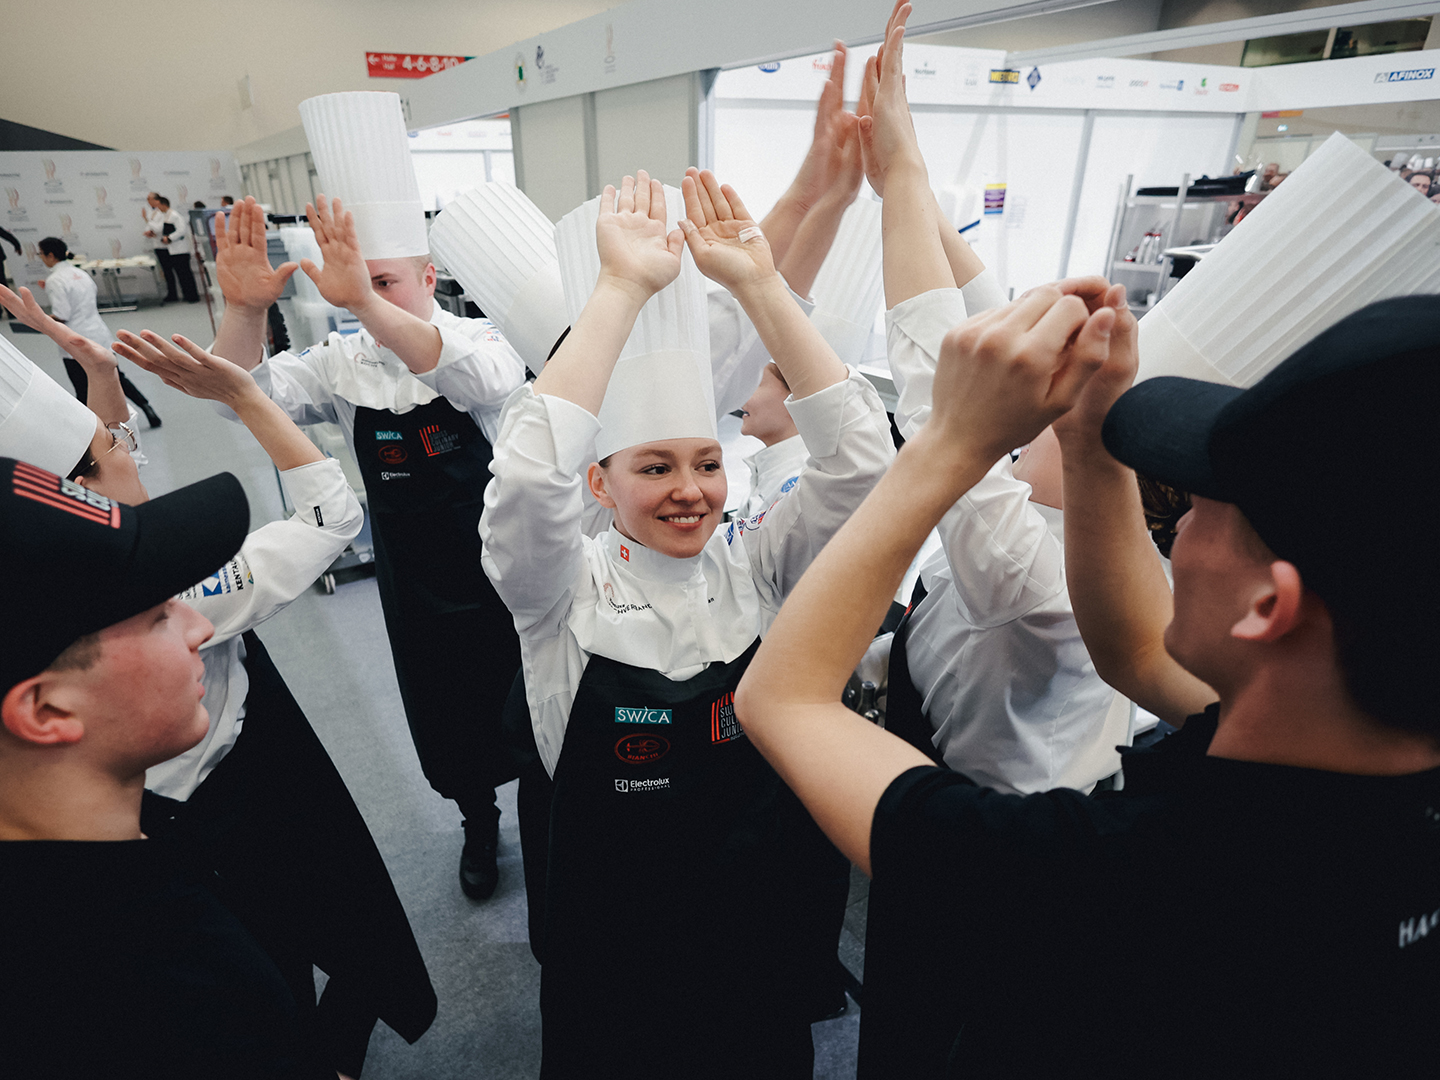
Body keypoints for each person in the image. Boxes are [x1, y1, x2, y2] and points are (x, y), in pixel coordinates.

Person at [734, 51, 1439, 1080]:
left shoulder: (1097, 881)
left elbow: (784, 699)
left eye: (1200, 510)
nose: (1174, 539)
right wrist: (1092, 434)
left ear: (1270, 607)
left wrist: (947, 444)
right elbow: (1141, 648)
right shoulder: (1376, 775)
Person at [482, 167, 894, 1077]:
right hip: (612, 947)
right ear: (600, 485)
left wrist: (760, 285)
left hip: (754, 929)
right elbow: (528, 480)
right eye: (655, 467)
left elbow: (862, 463)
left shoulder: (760, 565)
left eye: (707, 463)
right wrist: (620, 291)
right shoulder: (559, 591)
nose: (690, 490)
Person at [0, 312, 437, 1077]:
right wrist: (244, 394)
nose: (193, 629)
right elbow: (329, 515)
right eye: (159, 616)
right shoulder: (158, 959)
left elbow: (99, 467)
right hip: (233, 803)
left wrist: (102, 382)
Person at [210, 186, 527, 899]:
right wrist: (244, 311)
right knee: (445, 707)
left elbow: (475, 377)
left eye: (383, 282)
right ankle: (478, 821)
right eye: (355, 283)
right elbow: (242, 396)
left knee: (530, 694)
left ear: (430, 278)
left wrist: (362, 301)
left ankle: (548, 817)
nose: (364, 297)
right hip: (414, 572)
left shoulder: (485, 342)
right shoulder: (341, 360)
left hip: (507, 568)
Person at [853, 5, 1129, 792]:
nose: (1052, 404)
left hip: (997, 813)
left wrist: (906, 180)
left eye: (1073, 412)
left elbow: (940, 400)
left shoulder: (1047, 579)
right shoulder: (1091, 532)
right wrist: (904, 187)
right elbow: (991, 321)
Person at [0, 454, 324, 1079]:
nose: (198, 626)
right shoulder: (148, 983)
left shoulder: (140, 855)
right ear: (45, 710)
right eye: (158, 616)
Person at [33, 237, 163, 427]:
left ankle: (90, 430)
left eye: (41, 254)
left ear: (50, 255)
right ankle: (147, 408)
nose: (41, 258)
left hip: (76, 341)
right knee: (116, 378)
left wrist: (37, 320)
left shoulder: (55, 279)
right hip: (98, 334)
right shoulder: (80, 273)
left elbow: (62, 315)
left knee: (82, 387)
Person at [736, 361, 808, 517]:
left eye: (755, 385)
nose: (741, 398)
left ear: (796, 397)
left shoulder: (800, 481)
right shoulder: (772, 470)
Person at [154, 194, 200, 303]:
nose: (158, 208)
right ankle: (186, 294)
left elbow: (181, 230)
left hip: (181, 250)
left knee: (185, 274)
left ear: (164, 204)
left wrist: (170, 238)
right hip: (173, 250)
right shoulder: (166, 216)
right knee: (180, 275)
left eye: (159, 206)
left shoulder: (175, 215)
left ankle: (193, 296)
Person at [143, 191, 180, 301]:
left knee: (170, 271)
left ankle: (174, 294)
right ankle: (171, 293)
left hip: (165, 247)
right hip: (157, 245)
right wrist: (149, 231)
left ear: (156, 200)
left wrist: (147, 220)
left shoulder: (162, 212)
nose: (148, 201)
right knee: (165, 272)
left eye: (149, 199)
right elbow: (151, 227)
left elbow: (160, 228)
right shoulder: (152, 212)